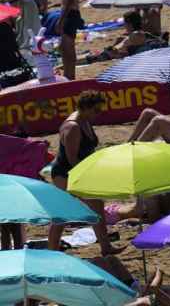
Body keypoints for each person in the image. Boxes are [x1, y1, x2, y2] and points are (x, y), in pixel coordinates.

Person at [47, 91, 122, 255]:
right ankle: (52, 251)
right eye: (96, 110)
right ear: (86, 107)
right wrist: (87, 177)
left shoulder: (85, 120)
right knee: (62, 213)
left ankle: (105, 247)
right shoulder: (73, 127)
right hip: (65, 173)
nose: (99, 113)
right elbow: (71, 159)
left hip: (78, 170)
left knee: (95, 206)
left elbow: (87, 150)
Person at [54, 0, 82, 80]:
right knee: (63, 47)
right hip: (68, 14)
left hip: (71, 14)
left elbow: (70, 1)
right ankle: (68, 73)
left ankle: (70, 75)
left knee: (68, 46)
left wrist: (61, 20)